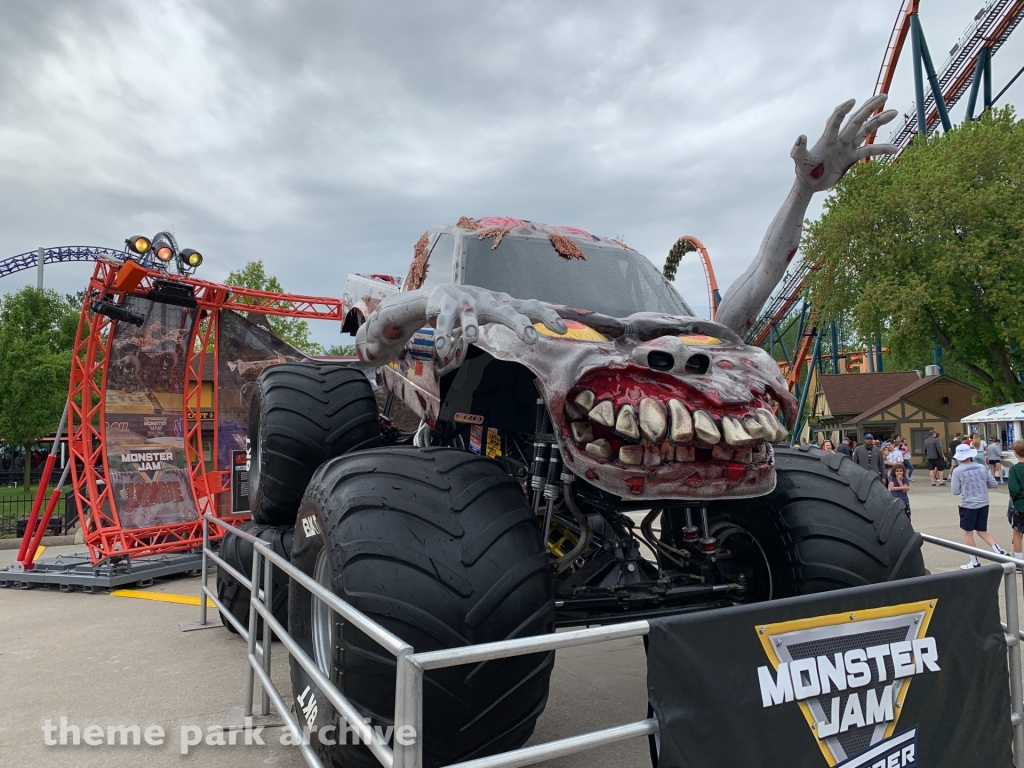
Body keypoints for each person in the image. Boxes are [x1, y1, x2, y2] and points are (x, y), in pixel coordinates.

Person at [951, 442, 1003, 568]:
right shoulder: (981, 467)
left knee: (968, 533)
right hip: (984, 502)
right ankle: (999, 552)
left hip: (968, 504)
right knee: (982, 531)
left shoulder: (957, 471)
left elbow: (955, 491)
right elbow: (993, 484)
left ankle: (974, 561)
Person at [1007, 439, 1024, 561]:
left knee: (1017, 533)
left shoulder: (1014, 469)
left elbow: (1014, 489)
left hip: (1020, 505)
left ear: (1015, 453)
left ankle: (1018, 559)